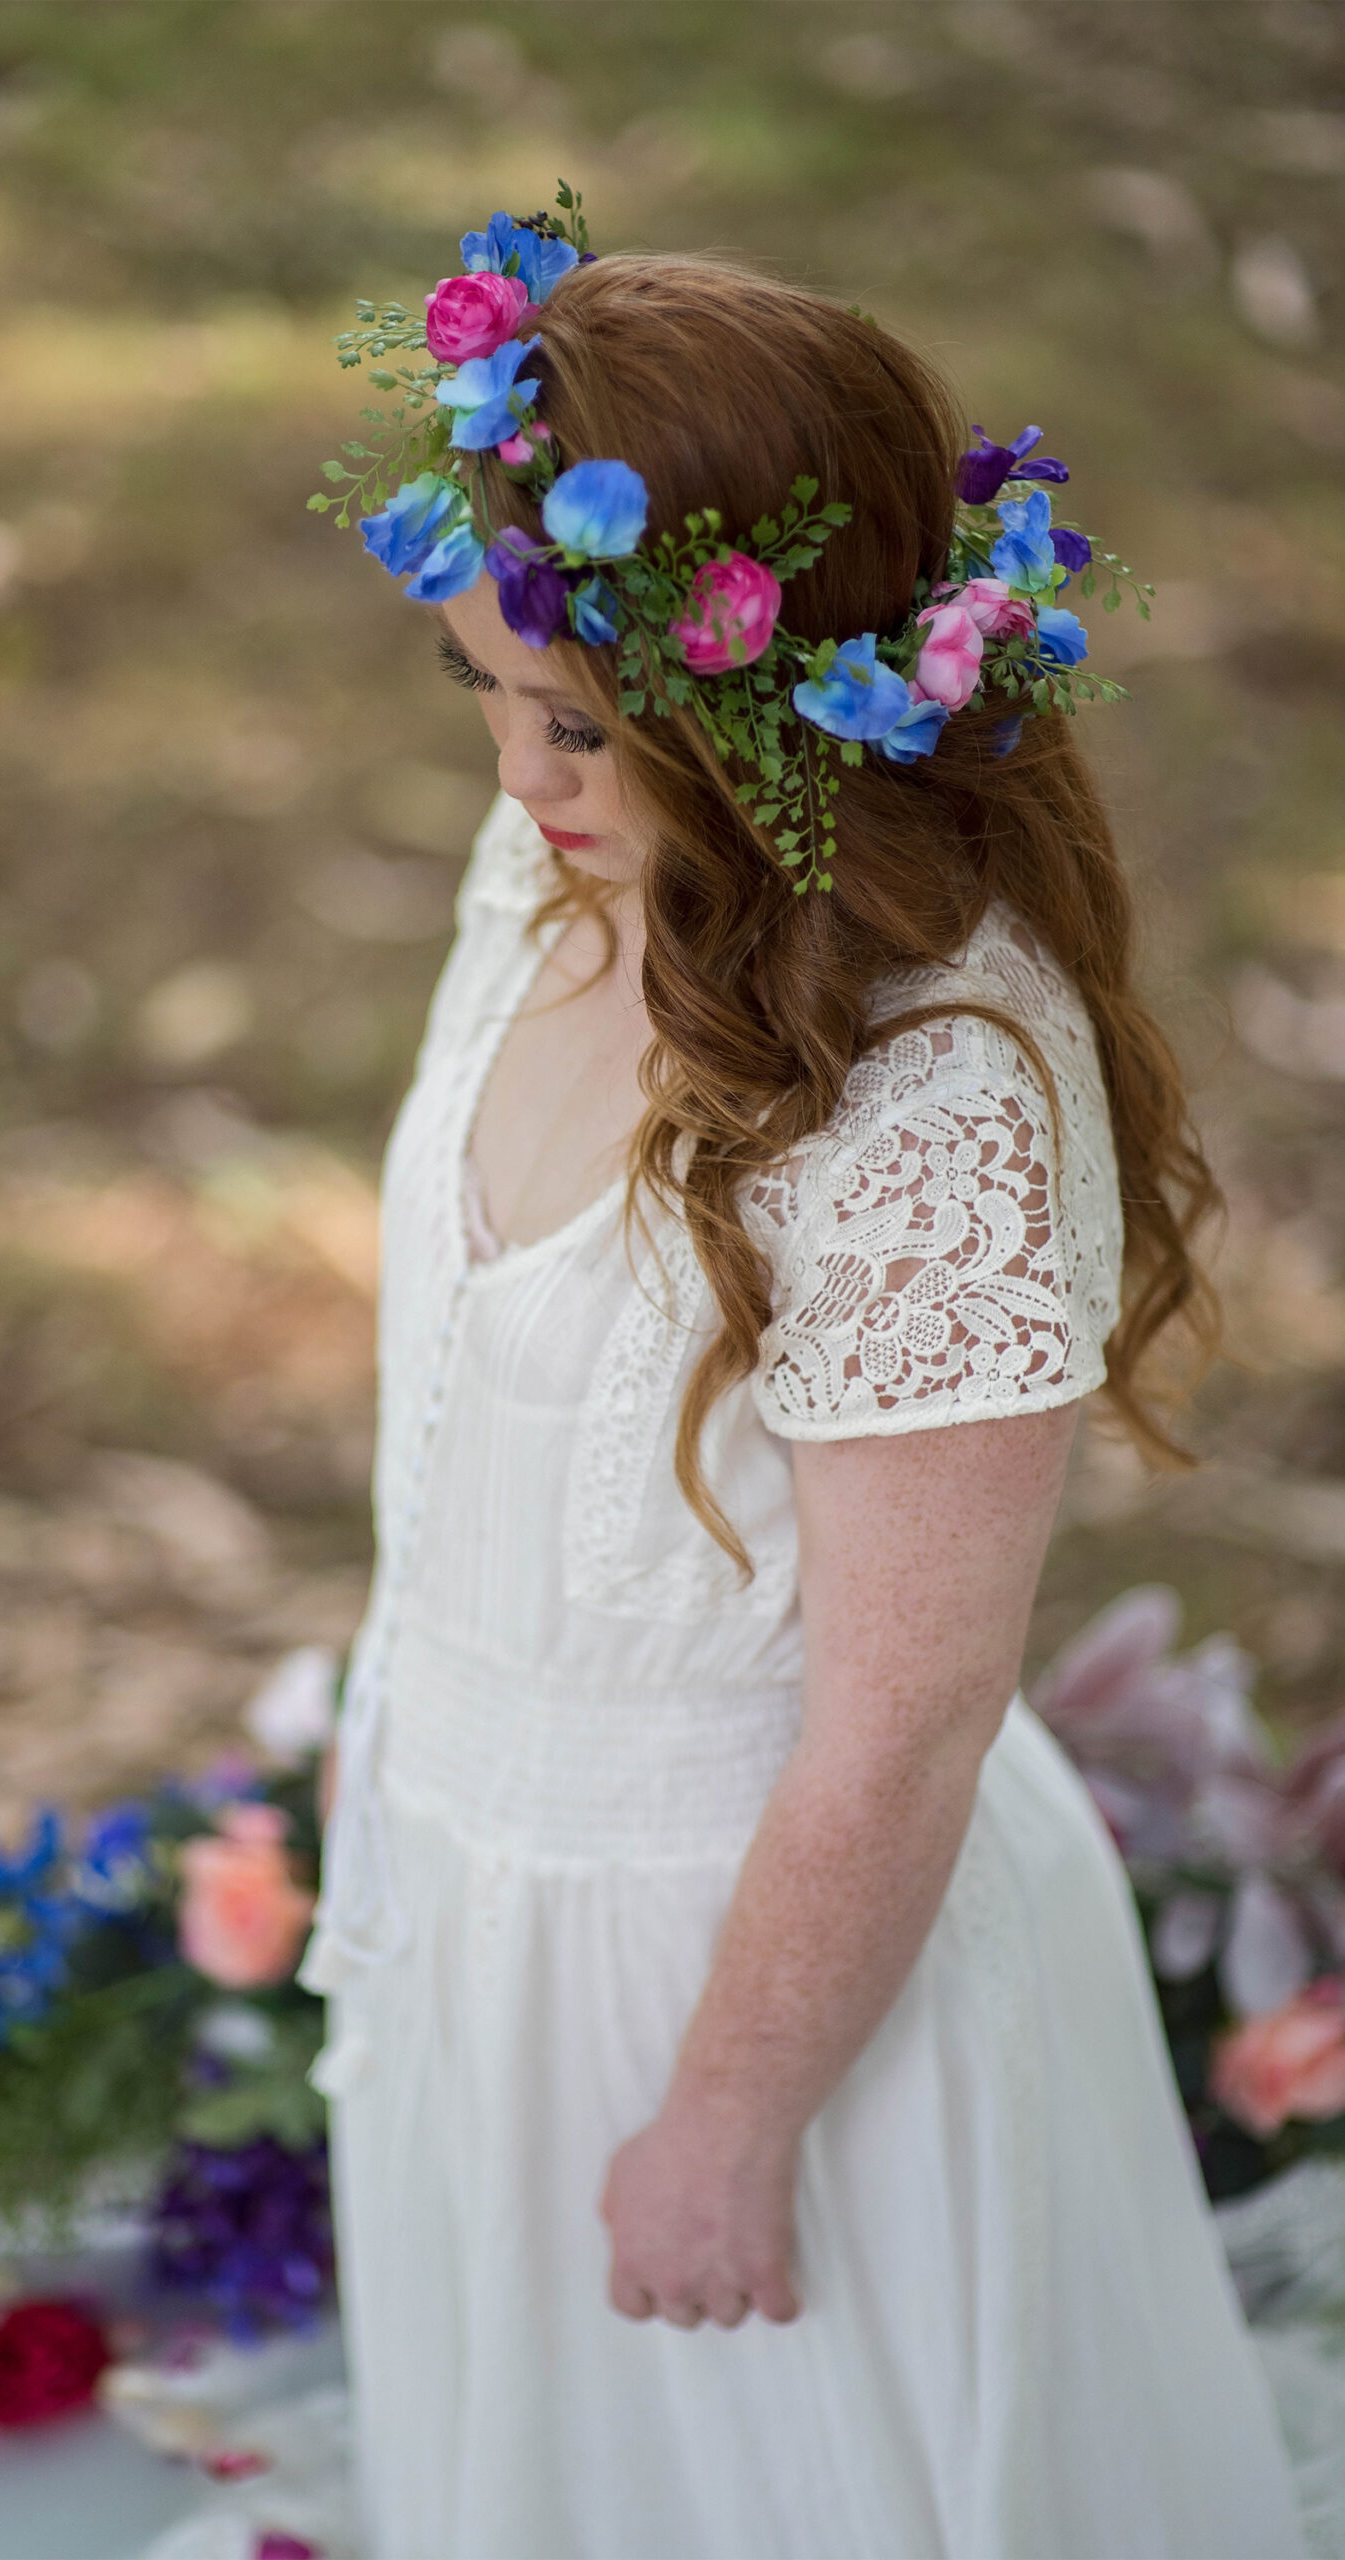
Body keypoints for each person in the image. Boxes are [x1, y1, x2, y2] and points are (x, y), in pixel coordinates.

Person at [301, 243, 1307, 2559]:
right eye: (480, 691)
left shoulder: (923, 1092)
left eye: (572, 723)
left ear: (768, 694)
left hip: (746, 1968)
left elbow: (899, 1721)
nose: (511, 773)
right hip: (482, 1885)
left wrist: (728, 2114)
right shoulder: (572, 860)